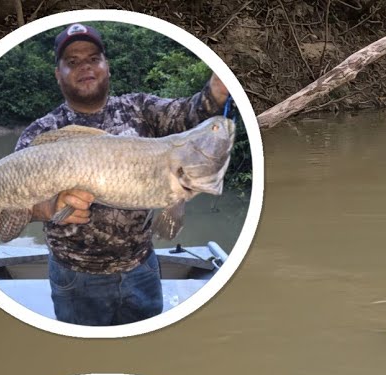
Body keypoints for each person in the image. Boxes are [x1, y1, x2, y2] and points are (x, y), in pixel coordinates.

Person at [17, 22, 231, 326]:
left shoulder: (140, 108)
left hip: (142, 268)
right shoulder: (40, 133)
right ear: (58, 74)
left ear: (107, 66)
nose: (85, 67)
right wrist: (47, 208)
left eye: (94, 58)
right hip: (75, 279)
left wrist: (217, 91)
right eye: (72, 62)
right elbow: (14, 203)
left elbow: (189, 115)